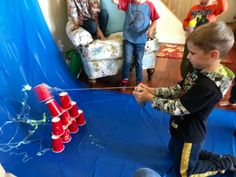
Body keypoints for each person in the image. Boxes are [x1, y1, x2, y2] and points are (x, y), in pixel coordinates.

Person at [133, 21, 236, 177]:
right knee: (175, 150)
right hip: (179, 128)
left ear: (213, 55)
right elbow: (178, 89)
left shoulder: (209, 87)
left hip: (190, 134)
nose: (188, 56)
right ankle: (215, 157)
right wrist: (151, 90)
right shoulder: (199, 69)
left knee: (185, 171)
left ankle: (225, 163)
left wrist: (149, 98)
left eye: (192, 53)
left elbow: (178, 107)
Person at [112, 0, 160, 90]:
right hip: (128, 39)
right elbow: (115, 1)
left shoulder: (149, 5)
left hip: (141, 40)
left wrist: (151, 29)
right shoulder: (128, 3)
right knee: (127, 60)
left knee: (138, 62)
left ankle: (139, 82)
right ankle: (124, 80)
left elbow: (155, 20)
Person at [180, 0, 228, 79]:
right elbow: (186, 20)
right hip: (192, 40)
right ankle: (185, 79)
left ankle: (196, 79)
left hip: (206, 42)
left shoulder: (214, 8)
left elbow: (223, 7)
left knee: (201, 62)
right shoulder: (194, 8)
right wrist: (186, 26)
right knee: (186, 61)